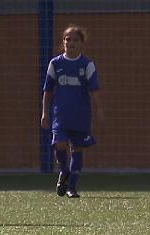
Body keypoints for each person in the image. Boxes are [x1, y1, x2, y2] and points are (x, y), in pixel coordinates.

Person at [40, 25, 103, 198]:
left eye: (75, 40)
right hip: (60, 115)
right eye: (68, 39)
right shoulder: (55, 63)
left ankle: (72, 187)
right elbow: (48, 90)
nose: (71, 42)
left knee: (77, 149)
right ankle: (64, 171)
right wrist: (45, 112)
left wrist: (99, 109)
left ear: (82, 44)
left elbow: (94, 89)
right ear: (63, 42)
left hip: (81, 115)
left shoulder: (87, 64)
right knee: (59, 144)